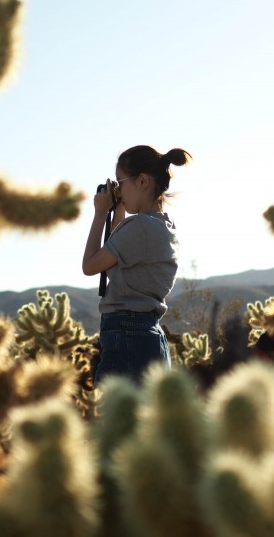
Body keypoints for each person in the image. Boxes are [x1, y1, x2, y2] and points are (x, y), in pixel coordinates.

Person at [82, 145, 192, 383]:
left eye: (120, 183)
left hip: (125, 333)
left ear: (142, 181)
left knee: (114, 414)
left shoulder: (139, 227)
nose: (118, 190)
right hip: (148, 335)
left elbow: (90, 265)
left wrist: (100, 213)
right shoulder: (163, 225)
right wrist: (119, 208)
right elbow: (118, 261)